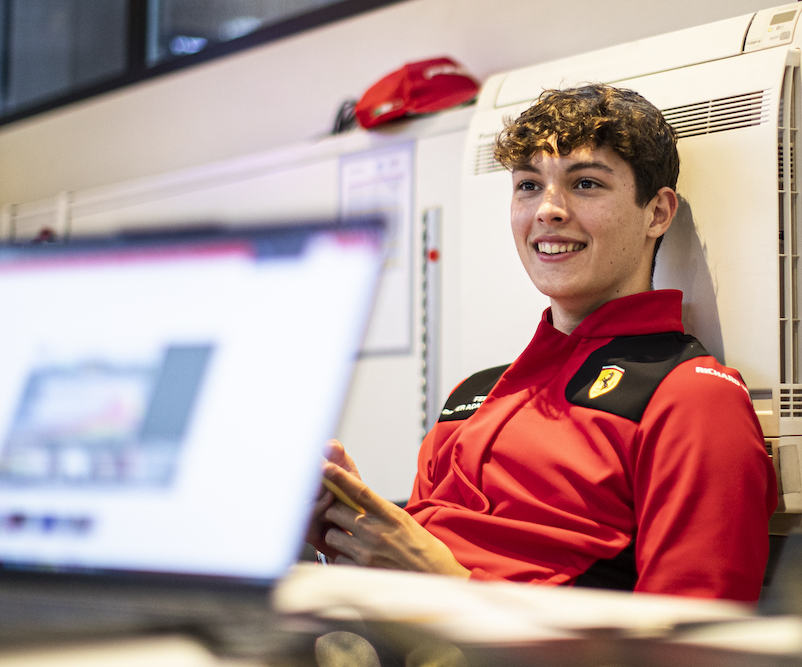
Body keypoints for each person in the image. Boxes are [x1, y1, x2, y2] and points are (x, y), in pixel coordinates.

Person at [307, 83, 777, 602]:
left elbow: (693, 638)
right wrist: (347, 535)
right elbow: (412, 576)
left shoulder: (693, 398)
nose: (547, 210)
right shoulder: (472, 396)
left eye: (586, 183)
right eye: (529, 185)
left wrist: (447, 586)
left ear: (658, 213)